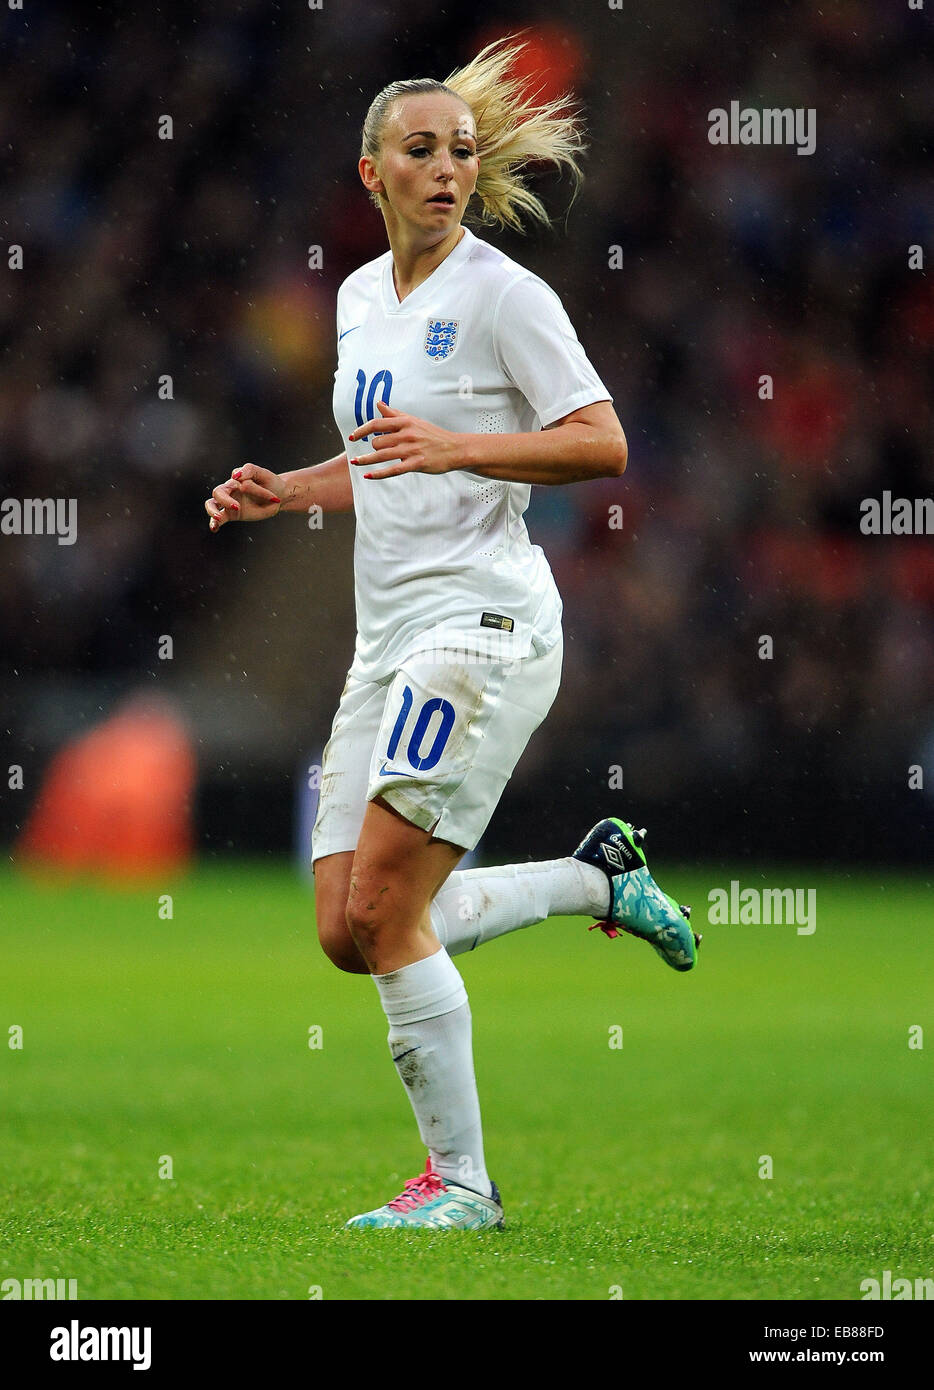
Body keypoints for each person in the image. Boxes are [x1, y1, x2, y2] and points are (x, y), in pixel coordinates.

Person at [204, 34, 698, 1231]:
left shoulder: (506, 297)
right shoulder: (358, 299)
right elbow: (387, 462)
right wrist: (297, 487)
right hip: (388, 637)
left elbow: (602, 441)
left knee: (384, 910)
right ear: (369, 171)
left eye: (460, 153)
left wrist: (465, 445)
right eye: (419, 151)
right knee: (346, 930)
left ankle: (462, 1187)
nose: (445, 170)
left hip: (483, 624)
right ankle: (596, 877)